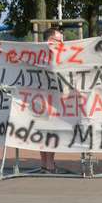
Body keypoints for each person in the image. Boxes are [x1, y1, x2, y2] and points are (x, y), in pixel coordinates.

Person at [39, 28, 64, 173]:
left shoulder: (60, 55)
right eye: (58, 40)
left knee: (51, 131)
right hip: (42, 100)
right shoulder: (40, 55)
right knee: (46, 131)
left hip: (54, 100)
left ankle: (47, 163)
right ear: (50, 40)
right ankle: (47, 164)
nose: (61, 43)